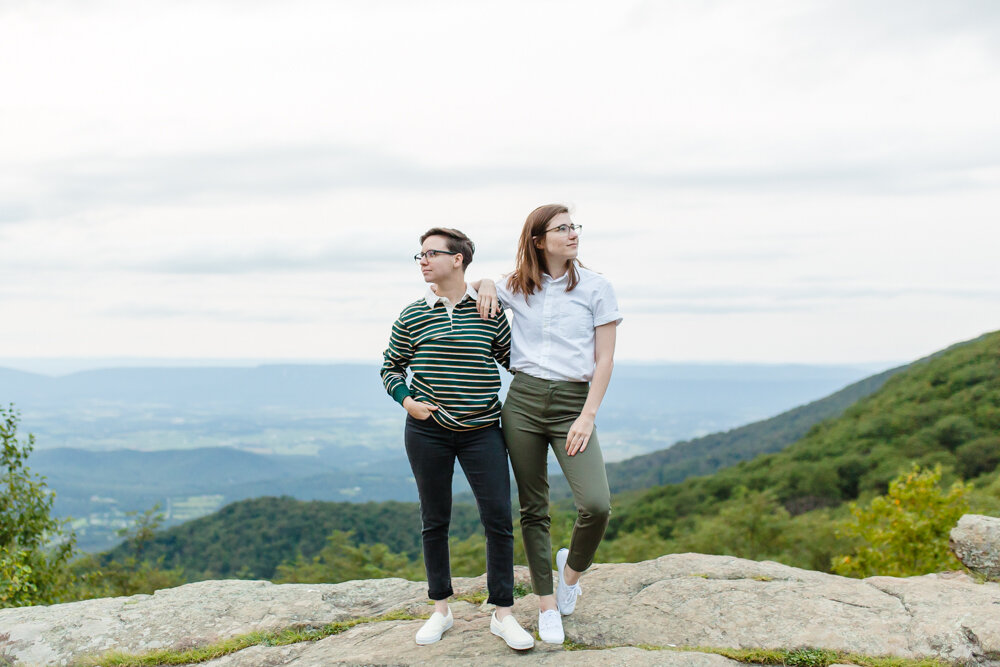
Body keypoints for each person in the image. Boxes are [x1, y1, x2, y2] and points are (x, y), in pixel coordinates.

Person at [380, 227, 534, 651]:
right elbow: (390, 367)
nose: (423, 261)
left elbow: (516, 362)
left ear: (458, 259)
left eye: (431, 253)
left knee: (498, 520)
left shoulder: (489, 309)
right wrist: (407, 401)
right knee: (435, 519)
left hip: (483, 430)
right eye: (420, 255)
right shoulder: (413, 314)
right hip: (427, 430)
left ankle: (502, 613)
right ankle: (441, 609)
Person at [475, 204, 621, 644]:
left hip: (574, 404)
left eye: (574, 226)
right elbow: (482, 286)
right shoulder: (517, 286)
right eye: (563, 228)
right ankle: (546, 604)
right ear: (539, 240)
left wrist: (587, 416)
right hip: (522, 402)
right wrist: (483, 283)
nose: (573, 233)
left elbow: (605, 358)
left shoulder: (597, 288)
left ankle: (570, 575)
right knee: (533, 508)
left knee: (596, 504)